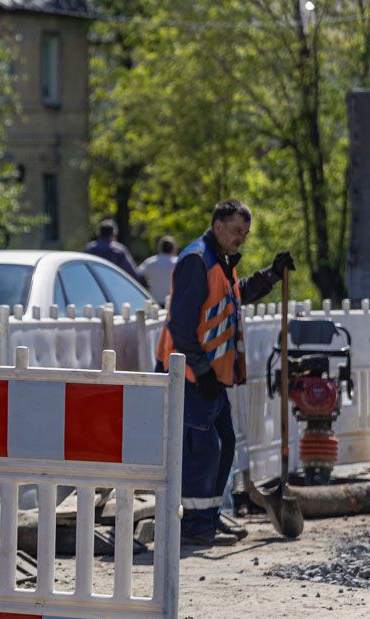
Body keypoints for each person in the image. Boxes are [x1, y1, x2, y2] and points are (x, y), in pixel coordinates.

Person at [154, 199, 295, 546]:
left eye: (245, 233)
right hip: (187, 374)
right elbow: (180, 325)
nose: (240, 239)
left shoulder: (219, 260)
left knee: (225, 443)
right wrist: (200, 370)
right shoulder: (196, 260)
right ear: (217, 225)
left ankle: (209, 515)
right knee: (204, 448)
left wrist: (271, 275)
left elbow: (234, 295)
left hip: (207, 375)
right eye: (236, 231)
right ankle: (194, 526)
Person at [86, 219, 146, 287]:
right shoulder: (118, 250)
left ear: (99, 234)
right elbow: (132, 273)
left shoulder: (90, 248)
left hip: (93, 286)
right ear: (114, 235)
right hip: (113, 289)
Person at [138, 235, 178, 306]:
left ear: (160, 248)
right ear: (173, 249)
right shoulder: (178, 263)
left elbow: (137, 275)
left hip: (154, 302)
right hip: (173, 303)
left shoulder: (150, 262)